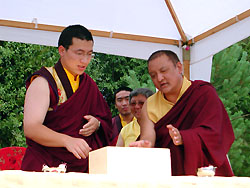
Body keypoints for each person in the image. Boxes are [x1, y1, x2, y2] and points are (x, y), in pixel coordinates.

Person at [21, 25, 113, 173]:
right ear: (62, 50)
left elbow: (106, 120)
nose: (85, 60)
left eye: (89, 54)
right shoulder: (43, 82)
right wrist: (66, 140)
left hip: (80, 168)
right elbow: (31, 128)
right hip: (46, 166)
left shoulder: (87, 84)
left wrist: (97, 124)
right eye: (79, 53)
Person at [130, 50, 235, 176]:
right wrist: (145, 144)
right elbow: (148, 137)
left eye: (163, 71)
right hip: (171, 172)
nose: (159, 78)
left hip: (206, 170)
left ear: (179, 67)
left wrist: (184, 137)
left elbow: (215, 132)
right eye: (153, 75)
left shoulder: (203, 93)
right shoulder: (150, 104)